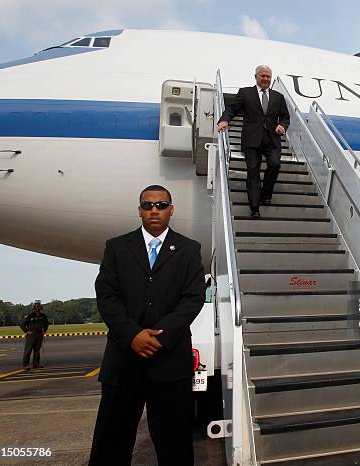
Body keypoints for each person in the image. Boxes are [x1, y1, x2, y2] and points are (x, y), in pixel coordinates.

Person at [89, 185, 205, 466]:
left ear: (171, 210)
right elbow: (106, 295)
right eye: (148, 205)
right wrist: (133, 335)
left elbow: (193, 299)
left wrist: (159, 337)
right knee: (111, 443)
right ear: (140, 210)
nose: (155, 210)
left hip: (169, 362)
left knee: (174, 445)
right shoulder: (117, 247)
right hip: (124, 361)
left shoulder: (189, 249)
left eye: (161, 205)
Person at [217, 64, 290, 217]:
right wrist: (224, 120)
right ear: (256, 76)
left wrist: (282, 126)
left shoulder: (278, 97)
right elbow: (232, 108)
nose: (265, 79)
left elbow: (285, 117)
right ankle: (254, 207)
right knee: (253, 172)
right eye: (262, 75)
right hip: (252, 139)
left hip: (272, 139)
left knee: (275, 165)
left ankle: (266, 194)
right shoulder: (245, 93)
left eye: (268, 76)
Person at [20, 301, 49, 369]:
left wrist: (44, 330)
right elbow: (22, 324)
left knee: (37, 350)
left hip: (39, 335)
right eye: (36, 307)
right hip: (31, 335)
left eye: (39, 306)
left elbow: (46, 324)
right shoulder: (30, 316)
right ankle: (25, 365)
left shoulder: (43, 316)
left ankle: (36, 364)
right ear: (34, 308)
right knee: (28, 350)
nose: (38, 308)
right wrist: (27, 331)